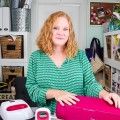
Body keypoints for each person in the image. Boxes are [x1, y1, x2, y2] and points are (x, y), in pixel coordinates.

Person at [26, 11, 120, 114]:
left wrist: (104, 94)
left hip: (76, 114)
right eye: (55, 28)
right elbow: (32, 89)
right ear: (48, 31)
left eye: (65, 29)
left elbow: (89, 84)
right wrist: (55, 93)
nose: (61, 32)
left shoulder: (80, 55)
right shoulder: (35, 57)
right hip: (47, 115)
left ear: (69, 33)